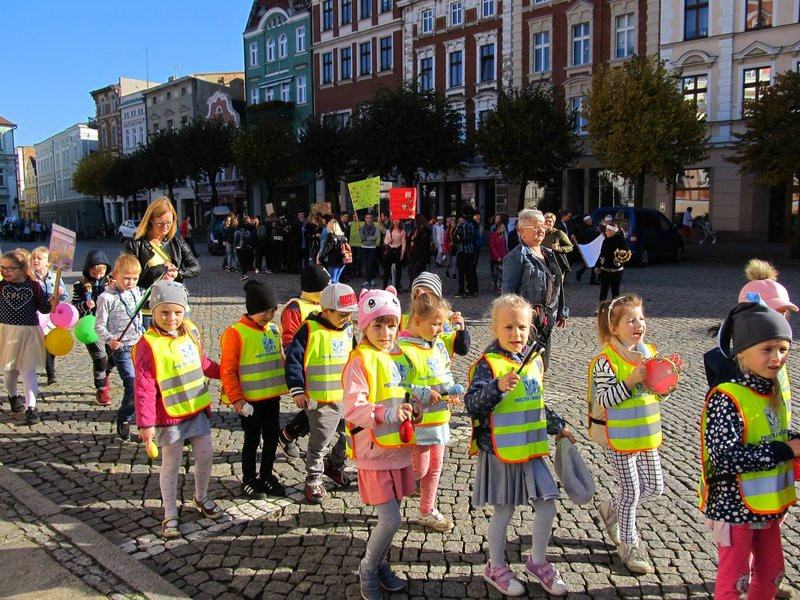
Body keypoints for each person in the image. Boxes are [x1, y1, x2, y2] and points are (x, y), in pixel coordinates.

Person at [465, 294, 572, 596]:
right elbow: (472, 405)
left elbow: (535, 403)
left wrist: (560, 427)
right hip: (500, 450)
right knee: (504, 511)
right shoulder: (488, 365)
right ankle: (495, 566)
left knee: (548, 505)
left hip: (532, 446)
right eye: (508, 327)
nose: (517, 334)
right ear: (494, 328)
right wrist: (497, 388)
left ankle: (538, 562)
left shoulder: (535, 360)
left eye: (522, 327)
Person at [699, 302, 797, 599]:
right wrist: (782, 451)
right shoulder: (727, 397)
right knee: (734, 581)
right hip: (732, 505)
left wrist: (792, 443)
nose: (777, 358)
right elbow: (724, 457)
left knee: (771, 574)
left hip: (767, 503)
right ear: (742, 352)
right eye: (767, 349)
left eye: (783, 349)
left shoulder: (771, 389)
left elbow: (774, 434)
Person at [588, 294, 676, 574]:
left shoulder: (649, 351)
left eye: (641, 318)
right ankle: (629, 544)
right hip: (621, 437)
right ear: (614, 328)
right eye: (630, 320)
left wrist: (666, 382)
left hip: (647, 434)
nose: (638, 324)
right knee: (632, 491)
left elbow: (656, 395)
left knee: (655, 487)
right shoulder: (606, 361)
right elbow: (604, 399)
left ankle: (610, 508)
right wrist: (629, 381)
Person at [342, 286, 415, 599]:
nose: (386, 332)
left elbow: (409, 393)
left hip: (398, 450)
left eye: (391, 324)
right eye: (378, 325)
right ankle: (369, 567)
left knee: (395, 517)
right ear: (365, 325)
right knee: (391, 518)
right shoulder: (359, 360)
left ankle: (381, 562)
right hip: (373, 451)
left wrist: (418, 407)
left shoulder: (400, 357)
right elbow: (353, 408)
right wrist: (387, 413)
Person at [134, 281, 222, 539]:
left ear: (185, 311)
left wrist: (224, 371)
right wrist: (146, 424)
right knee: (171, 464)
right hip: (168, 416)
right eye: (165, 312)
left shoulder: (192, 332)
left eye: (177, 312)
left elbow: (202, 363)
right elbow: (144, 388)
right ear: (154, 311)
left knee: (205, 456)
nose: (171, 318)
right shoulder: (147, 344)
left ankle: (201, 497)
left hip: (196, 410)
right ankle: (170, 512)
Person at [284, 282, 357, 504]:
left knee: (352, 437)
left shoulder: (348, 328)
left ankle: (334, 465)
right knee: (320, 442)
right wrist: (297, 389)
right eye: (342, 314)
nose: (346, 317)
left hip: (346, 397)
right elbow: (294, 360)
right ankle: (313, 478)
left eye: (349, 313)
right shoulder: (309, 329)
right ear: (326, 310)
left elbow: (356, 357)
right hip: (320, 400)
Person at [399, 293, 461, 533]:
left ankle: (427, 509)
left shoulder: (438, 346)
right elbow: (397, 383)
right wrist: (422, 394)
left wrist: (450, 391)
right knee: (419, 469)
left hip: (439, 418)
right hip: (418, 421)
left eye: (442, 324)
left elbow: (445, 373)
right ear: (416, 321)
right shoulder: (404, 349)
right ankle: (389, 494)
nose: (439, 329)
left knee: (435, 467)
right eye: (434, 324)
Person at [220, 280, 287, 499]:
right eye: (264, 312)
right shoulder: (235, 333)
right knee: (251, 439)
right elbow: (228, 370)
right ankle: (249, 478)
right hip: (249, 401)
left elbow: (279, 359)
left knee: (271, 437)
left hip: (271, 397)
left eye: (273, 311)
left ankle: (266, 475)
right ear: (252, 310)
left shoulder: (274, 330)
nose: (268, 316)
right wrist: (237, 400)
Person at [276, 264, 332, 460]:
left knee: (322, 407)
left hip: (325, 367)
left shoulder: (323, 307)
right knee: (314, 408)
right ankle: (288, 435)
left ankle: (289, 435)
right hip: (305, 369)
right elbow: (290, 341)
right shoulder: (295, 308)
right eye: (325, 288)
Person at [501, 209, 567, 368]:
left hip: (547, 320)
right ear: (522, 231)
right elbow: (508, 294)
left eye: (543, 226)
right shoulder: (516, 257)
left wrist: (561, 311)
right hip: (526, 322)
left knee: (543, 365)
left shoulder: (549, 253)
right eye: (535, 227)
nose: (541, 230)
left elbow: (558, 282)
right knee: (525, 366)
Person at [0, 249, 57, 425]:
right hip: (7, 333)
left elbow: (44, 309)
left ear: (23, 269)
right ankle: (13, 396)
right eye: (2, 267)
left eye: (10, 268)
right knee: (10, 372)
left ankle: (31, 408)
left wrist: (52, 303)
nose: (5, 271)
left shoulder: (34, 286)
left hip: (28, 333)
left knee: (28, 371)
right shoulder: (1, 286)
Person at [124, 197, 201, 328]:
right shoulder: (135, 244)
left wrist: (177, 273)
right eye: (160, 223)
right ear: (150, 221)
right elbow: (132, 277)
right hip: (149, 308)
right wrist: (161, 270)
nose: (165, 227)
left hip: (176, 305)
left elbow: (195, 267)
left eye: (169, 222)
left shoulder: (176, 241)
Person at [94, 254, 145, 441]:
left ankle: (145, 423)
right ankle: (124, 417)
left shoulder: (138, 292)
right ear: (115, 275)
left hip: (140, 345)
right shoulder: (106, 297)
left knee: (147, 385)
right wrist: (110, 339)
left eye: (134, 278)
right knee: (132, 384)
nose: (131, 282)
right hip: (122, 348)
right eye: (126, 278)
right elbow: (98, 326)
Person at [72, 249, 113, 405]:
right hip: (89, 326)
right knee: (99, 358)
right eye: (94, 272)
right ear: (87, 269)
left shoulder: (111, 282)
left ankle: (105, 376)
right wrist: (84, 304)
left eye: (101, 272)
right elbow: (74, 306)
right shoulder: (79, 285)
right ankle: (102, 390)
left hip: (108, 324)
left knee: (113, 357)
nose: (98, 275)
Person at [31, 246, 68, 385]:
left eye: (39, 258)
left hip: (53, 316)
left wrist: (61, 291)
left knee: (52, 345)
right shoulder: (32, 278)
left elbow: (65, 297)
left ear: (48, 263)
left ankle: (50, 363)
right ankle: (51, 374)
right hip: (39, 315)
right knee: (45, 344)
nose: (36, 260)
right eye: (34, 258)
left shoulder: (55, 277)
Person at [597, 222, 631, 301]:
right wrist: (598, 265)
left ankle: (615, 307)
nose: (606, 232)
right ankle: (601, 307)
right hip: (605, 269)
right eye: (606, 231)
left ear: (613, 231)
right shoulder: (605, 240)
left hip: (616, 270)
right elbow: (602, 253)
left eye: (608, 231)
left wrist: (623, 253)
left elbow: (626, 252)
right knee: (603, 290)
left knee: (615, 290)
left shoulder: (620, 240)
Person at [542, 212, 573, 280]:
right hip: (542, 263)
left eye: (550, 221)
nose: (547, 223)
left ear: (553, 223)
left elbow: (570, 247)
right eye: (545, 221)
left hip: (555, 265)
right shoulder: (539, 233)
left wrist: (559, 248)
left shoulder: (559, 233)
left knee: (555, 288)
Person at [455, 211, 478, 298]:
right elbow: (472, 237)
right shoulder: (472, 225)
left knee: (461, 272)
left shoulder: (461, 226)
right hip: (471, 250)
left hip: (462, 250)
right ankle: (471, 290)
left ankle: (461, 290)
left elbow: (456, 237)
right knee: (470, 271)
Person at [318, 218, 347, 283]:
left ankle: (334, 293)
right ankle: (338, 292)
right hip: (342, 259)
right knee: (337, 279)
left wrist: (321, 258)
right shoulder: (342, 236)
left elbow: (327, 249)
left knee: (332, 280)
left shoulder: (331, 236)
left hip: (334, 260)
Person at [573, 215, 600, 284]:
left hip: (594, 247)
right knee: (592, 263)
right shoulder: (584, 229)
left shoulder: (594, 226)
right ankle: (592, 280)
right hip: (589, 247)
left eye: (590, 220)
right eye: (587, 221)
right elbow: (587, 237)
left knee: (591, 263)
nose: (589, 221)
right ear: (585, 222)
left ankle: (580, 273)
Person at [408, 214, 432, 283]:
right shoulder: (418, 230)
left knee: (417, 271)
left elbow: (422, 242)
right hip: (416, 254)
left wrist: (414, 241)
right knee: (410, 269)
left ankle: (419, 285)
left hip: (422, 255)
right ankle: (413, 285)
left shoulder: (425, 230)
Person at [383, 220, 406, 290]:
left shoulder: (402, 231)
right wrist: (388, 241)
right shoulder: (389, 231)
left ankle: (397, 287)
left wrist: (402, 253)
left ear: (400, 221)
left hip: (398, 251)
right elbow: (385, 241)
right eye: (394, 219)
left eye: (397, 219)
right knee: (387, 270)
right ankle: (384, 287)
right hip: (390, 251)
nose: (395, 221)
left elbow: (404, 243)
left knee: (398, 271)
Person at [360, 213, 380, 288]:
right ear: (365, 219)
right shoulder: (362, 227)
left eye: (370, 218)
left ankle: (370, 279)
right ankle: (367, 280)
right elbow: (361, 237)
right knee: (365, 264)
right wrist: (367, 238)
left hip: (372, 247)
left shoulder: (375, 227)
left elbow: (375, 237)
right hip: (364, 247)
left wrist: (366, 238)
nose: (369, 219)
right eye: (367, 218)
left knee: (370, 264)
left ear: (372, 219)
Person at [489, 223, 508, 294]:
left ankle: (501, 287)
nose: (504, 229)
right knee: (496, 273)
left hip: (503, 257)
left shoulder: (503, 236)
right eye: (502, 227)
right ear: (498, 228)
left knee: (502, 273)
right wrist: (497, 256)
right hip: (495, 258)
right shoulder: (493, 236)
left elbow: (504, 247)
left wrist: (506, 255)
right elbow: (492, 247)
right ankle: (496, 286)